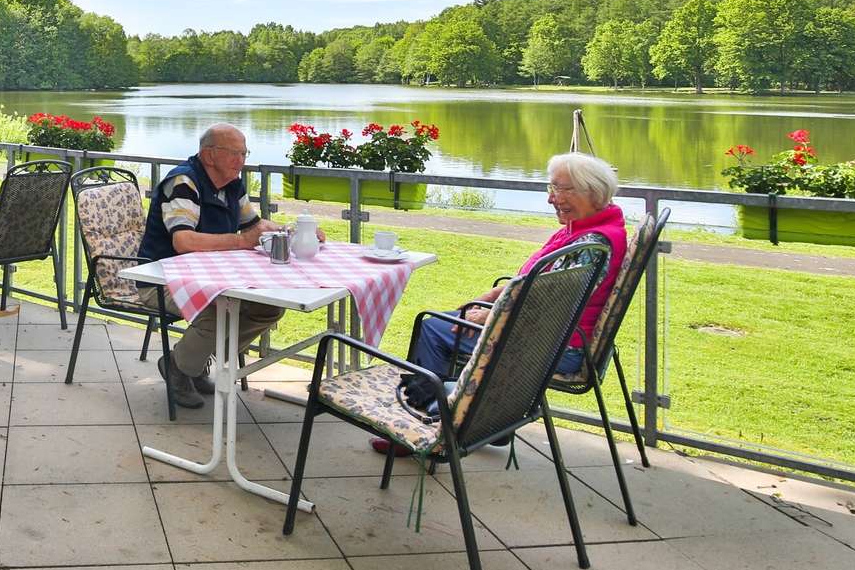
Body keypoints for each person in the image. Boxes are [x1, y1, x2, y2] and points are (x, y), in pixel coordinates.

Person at [375, 151, 627, 454]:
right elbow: (535, 284)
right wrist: (492, 298)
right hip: (554, 338)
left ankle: (421, 429)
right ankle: (483, 421)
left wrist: (493, 317)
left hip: (552, 347)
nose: (551, 199)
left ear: (593, 192)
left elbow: (547, 307)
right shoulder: (586, 232)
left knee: (434, 329)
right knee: (451, 322)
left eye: (561, 189)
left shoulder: (590, 246)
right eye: (552, 188)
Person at [137, 123, 323, 409]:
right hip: (163, 280)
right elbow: (183, 241)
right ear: (209, 155)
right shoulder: (184, 183)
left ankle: (189, 362)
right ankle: (182, 367)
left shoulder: (232, 184)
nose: (242, 160)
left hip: (211, 278)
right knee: (217, 308)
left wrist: (294, 231)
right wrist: (241, 241)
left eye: (244, 153)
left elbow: (255, 226)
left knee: (268, 307)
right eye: (235, 153)